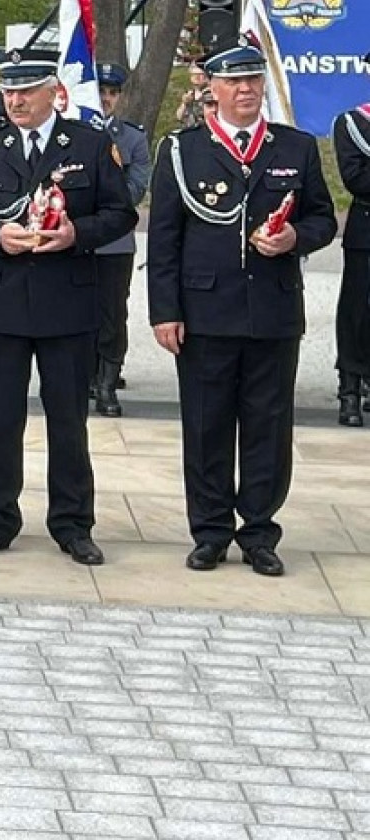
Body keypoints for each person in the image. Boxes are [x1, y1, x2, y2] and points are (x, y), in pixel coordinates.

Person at [148, 45, 336, 577]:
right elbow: (164, 239)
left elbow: (323, 219)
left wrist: (295, 237)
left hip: (272, 311)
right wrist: (165, 311)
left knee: (267, 428)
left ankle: (258, 532)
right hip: (205, 311)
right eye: (234, 82)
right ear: (213, 88)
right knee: (206, 426)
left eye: (253, 79)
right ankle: (210, 532)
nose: (246, 89)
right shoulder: (183, 150)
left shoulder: (295, 147)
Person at [0, 54, 136, 566]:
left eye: (27, 91)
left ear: (54, 92)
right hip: (0, 300)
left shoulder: (88, 145)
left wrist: (77, 235)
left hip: (66, 301)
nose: (15, 100)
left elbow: (120, 213)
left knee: (68, 421)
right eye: (9, 92)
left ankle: (72, 523)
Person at [91, 63, 152, 418]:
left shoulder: (131, 138)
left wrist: (98, 202)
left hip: (114, 240)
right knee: (76, 310)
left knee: (112, 313)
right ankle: (85, 374)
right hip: (77, 238)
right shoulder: (73, 133)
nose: (105, 98)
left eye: (111, 93)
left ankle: (107, 382)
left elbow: (135, 188)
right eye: (100, 91)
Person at [333, 90, 370, 426]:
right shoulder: (354, 123)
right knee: (357, 312)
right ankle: (350, 388)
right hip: (367, 230)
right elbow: (356, 179)